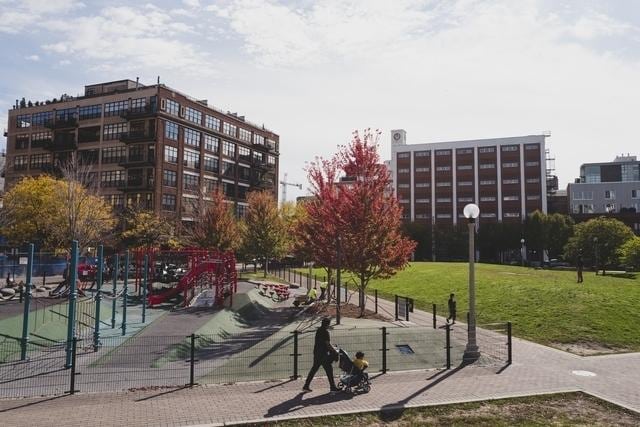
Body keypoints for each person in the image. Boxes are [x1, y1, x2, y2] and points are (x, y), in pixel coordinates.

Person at [303, 317, 339, 392]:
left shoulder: (319, 330)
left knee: (314, 369)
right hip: (323, 354)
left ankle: (306, 385)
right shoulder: (326, 332)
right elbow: (327, 344)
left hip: (317, 353)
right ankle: (332, 387)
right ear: (327, 324)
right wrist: (334, 351)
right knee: (329, 370)